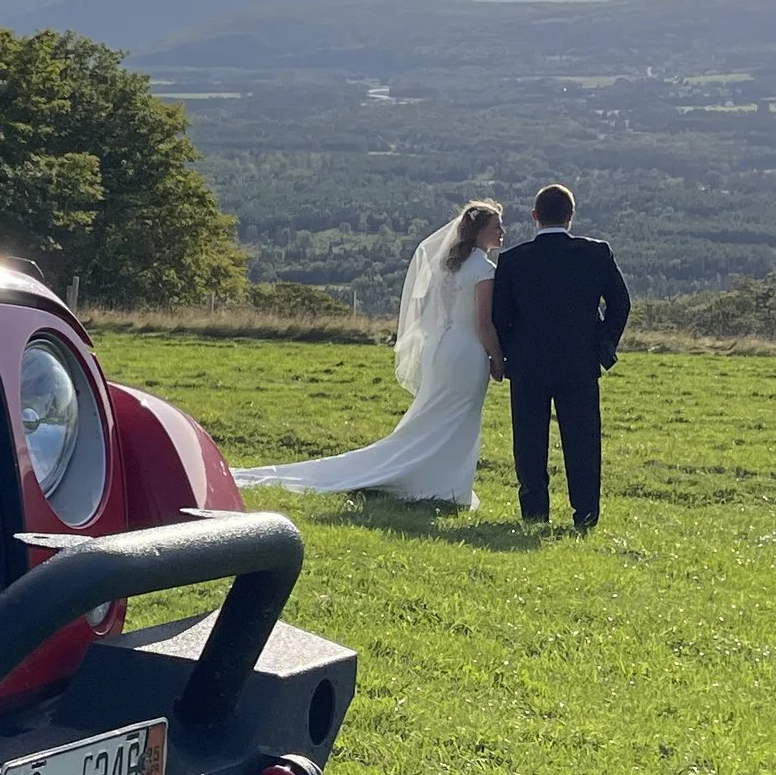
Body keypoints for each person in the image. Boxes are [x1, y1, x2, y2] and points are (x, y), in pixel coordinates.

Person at [238, 202, 505, 509]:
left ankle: (435, 480)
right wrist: (497, 358)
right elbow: (483, 324)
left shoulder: (446, 264)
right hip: (466, 353)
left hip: (439, 350)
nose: (501, 233)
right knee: (457, 419)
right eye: (496, 226)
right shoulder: (483, 269)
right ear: (479, 230)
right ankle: (442, 483)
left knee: (433, 416)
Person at [488, 182, 630, 530]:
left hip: (527, 365)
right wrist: (603, 345)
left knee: (529, 442)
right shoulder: (596, 253)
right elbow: (620, 304)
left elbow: (499, 316)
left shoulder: (513, 260)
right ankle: (585, 514)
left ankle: (535, 515)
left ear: (535, 216)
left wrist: (508, 352)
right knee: (583, 441)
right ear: (571, 216)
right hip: (580, 363)